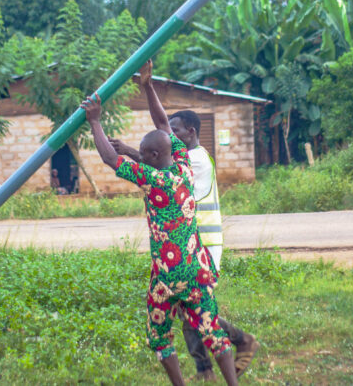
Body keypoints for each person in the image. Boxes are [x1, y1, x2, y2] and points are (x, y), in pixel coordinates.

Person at [110, 62, 259, 381]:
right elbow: (161, 126)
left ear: (190, 133)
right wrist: (148, 87)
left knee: (196, 306)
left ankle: (235, 345)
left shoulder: (195, 161)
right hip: (185, 246)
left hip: (201, 246)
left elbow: (157, 168)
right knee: (186, 306)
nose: (170, 135)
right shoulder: (181, 158)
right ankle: (207, 367)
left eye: (175, 133)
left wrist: (127, 153)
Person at [80, 93, 238, 386]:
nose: (137, 154)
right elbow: (164, 124)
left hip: (166, 277)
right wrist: (147, 86)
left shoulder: (153, 179)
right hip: (195, 270)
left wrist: (95, 120)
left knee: (160, 335)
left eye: (141, 152)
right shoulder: (184, 168)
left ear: (153, 157)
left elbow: (109, 158)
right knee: (213, 331)